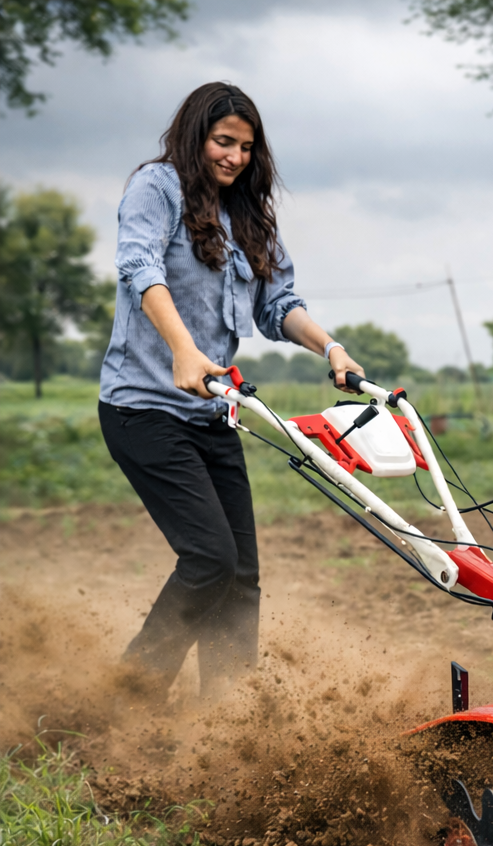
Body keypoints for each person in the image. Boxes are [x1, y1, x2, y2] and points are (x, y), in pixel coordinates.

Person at [98, 82, 364, 702]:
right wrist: (183, 349)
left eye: (246, 147)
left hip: (213, 414)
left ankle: (227, 720)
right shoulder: (156, 188)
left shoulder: (246, 215)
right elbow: (140, 267)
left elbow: (279, 305)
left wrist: (331, 348)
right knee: (210, 561)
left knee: (241, 576)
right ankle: (130, 695)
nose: (235, 157)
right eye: (224, 142)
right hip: (144, 409)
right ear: (196, 136)